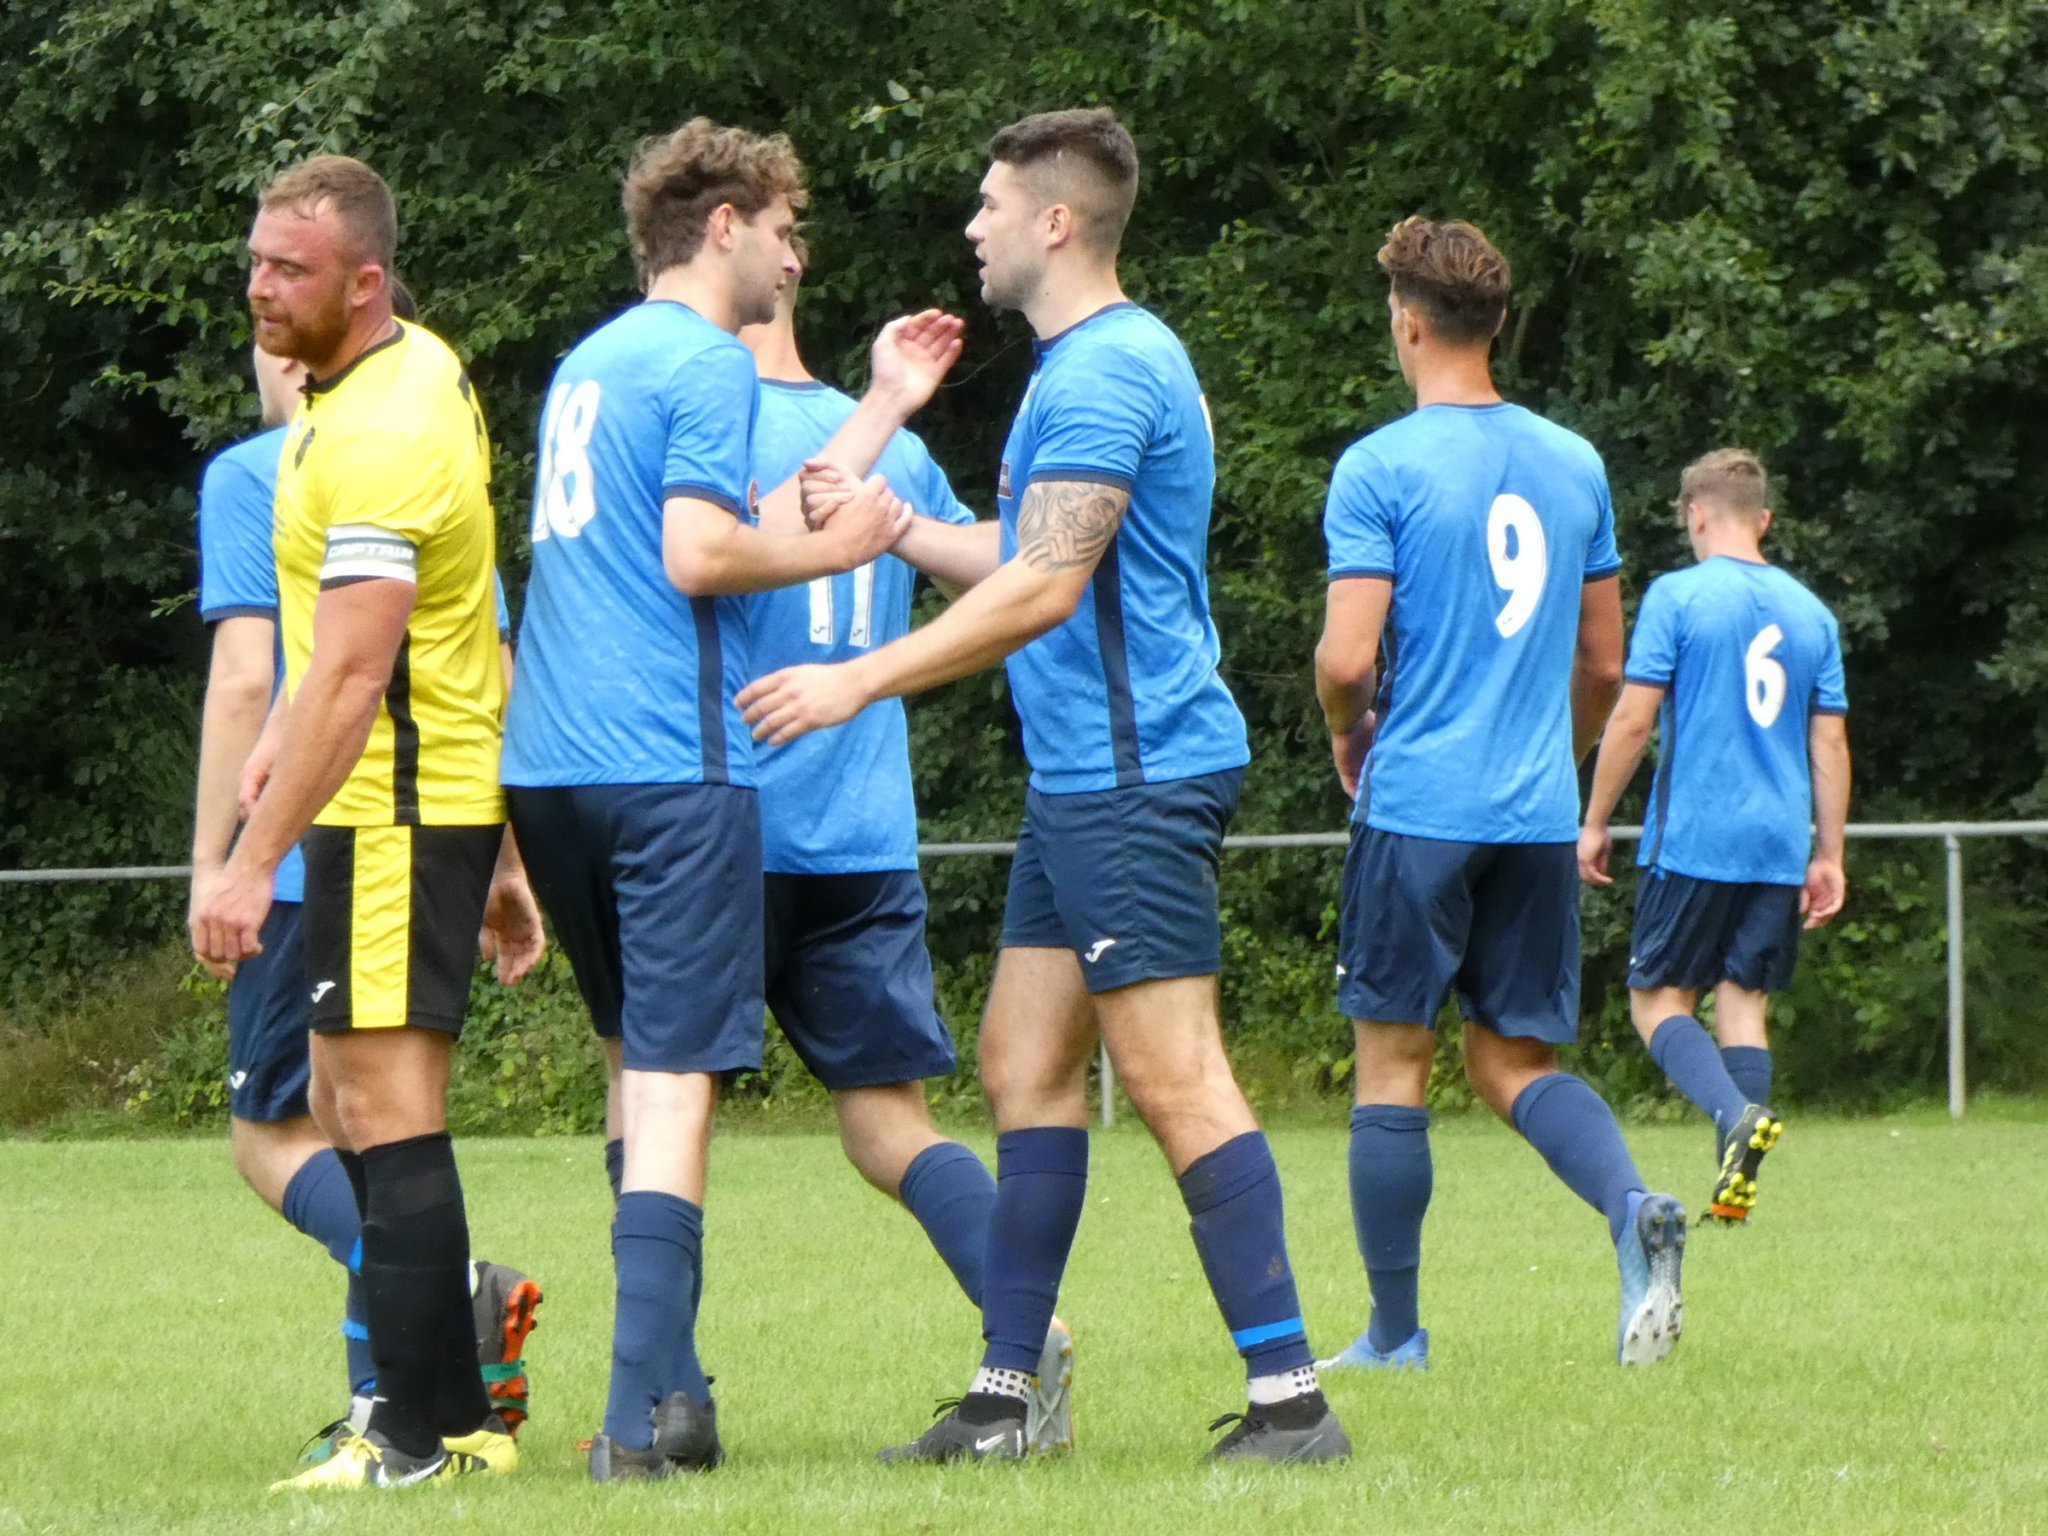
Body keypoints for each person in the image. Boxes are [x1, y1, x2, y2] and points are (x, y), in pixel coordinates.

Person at [740, 107, 1350, 1465]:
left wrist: (860, 679)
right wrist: (908, 530)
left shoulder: (1106, 374)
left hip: (1136, 778)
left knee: (1175, 1072)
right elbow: (1025, 554)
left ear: (1055, 222)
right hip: (1084, 782)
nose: (973, 225)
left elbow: (1047, 584)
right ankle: (1008, 1401)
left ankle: (1291, 1401)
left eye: (990, 203)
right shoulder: (1083, 368)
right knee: (1023, 1066)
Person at [496, 118, 962, 1482]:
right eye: (779, 230)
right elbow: (703, 553)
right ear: (723, 227)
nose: (787, 258)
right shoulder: (704, 357)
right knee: (676, 1080)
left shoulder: (590, 364)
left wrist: (861, 441)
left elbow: (668, 530)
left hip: (556, 767)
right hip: (667, 765)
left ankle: (673, 1390)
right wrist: (845, 537)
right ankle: (649, 1414)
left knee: (633, 1067)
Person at [191, 154, 547, 1490]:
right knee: (343, 1100)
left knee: (387, 1108)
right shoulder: (384, 387)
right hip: (396, 804)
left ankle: (408, 1439)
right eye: (256, 261)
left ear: (366, 282)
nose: (259, 289)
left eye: (289, 269)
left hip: (396, 807)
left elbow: (353, 667)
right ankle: (456, 1421)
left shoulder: (385, 430)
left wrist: (248, 863)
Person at [1312, 216, 1685, 1373]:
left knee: (1392, 1066)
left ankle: (1392, 1334)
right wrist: (1557, 758)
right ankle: (1629, 1210)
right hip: (1529, 812)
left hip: (1418, 803)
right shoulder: (1574, 462)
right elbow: (1605, 666)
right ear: (1497, 324)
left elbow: (1341, 658)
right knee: (1516, 1064)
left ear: (1407, 322)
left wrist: (1347, 736)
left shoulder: (1379, 465)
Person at [736, 241, 1074, 1451]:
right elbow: (993, 573)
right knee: (887, 1123)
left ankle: (652, 1401)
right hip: (863, 833)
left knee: (653, 1103)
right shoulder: (900, 446)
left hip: (715, 827)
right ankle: (1021, 1336)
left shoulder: (680, 423)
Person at [1579, 448, 1850, 1221]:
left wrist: (1593, 822)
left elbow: (1632, 717)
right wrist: (1828, 852)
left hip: (1698, 833)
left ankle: (1735, 1118)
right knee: (1742, 1002)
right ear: (1763, 520)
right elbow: (1829, 744)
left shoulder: (1679, 596)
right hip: (1775, 841)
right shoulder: (1811, 613)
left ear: (1694, 513)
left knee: (1656, 1003)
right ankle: (1736, 1194)